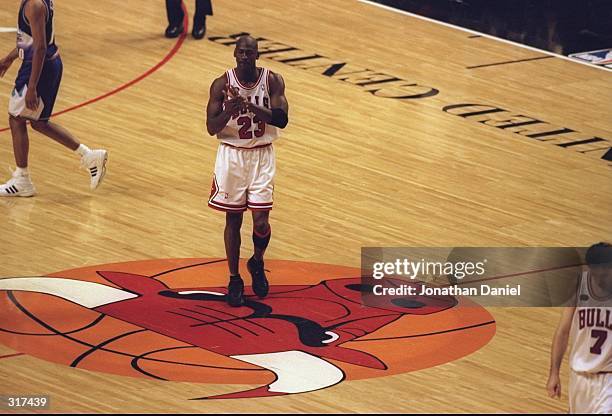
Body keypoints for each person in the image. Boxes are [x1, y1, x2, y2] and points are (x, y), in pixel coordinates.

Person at [205, 35, 289, 307]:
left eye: (249, 52)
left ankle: (257, 261)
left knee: (261, 221)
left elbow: (282, 119)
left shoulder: (273, 80)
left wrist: (250, 106)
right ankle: (234, 278)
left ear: (257, 55)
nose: (244, 56)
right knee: (233, 221)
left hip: (262, 154)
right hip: (232, 156)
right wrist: (230, 108)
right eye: (240, 52)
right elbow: (211, 127)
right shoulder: (221, 84)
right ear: (234, 54)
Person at [0, 0, 107, 197]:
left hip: (39, 68)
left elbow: (40, 47)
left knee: (16, 118)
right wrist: (10, 57)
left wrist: (32, 86)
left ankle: (22, 179)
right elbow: (32, 39)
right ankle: (90, 156)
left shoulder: (34, 5)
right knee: (38, 122)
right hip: (46, 64)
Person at [547, 242, 612, 413]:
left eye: (606, 270)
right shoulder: (579, 286)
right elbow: (563, 331)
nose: (601, 276)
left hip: (608, 380)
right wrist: (554, 372)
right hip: (579, 378)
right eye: (596, 271)